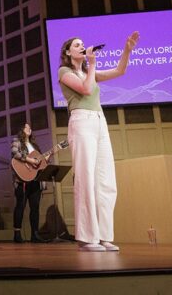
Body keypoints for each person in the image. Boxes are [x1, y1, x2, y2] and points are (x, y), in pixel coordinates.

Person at [59, 32, 139, 252]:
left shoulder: (87, 70)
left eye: (83, 44)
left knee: (105, 180)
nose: (82, 46)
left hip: (99, 120)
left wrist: (127, 50)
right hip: (81, 120)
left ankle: (104, 236)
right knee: (86, 178)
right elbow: (86, 89)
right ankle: (87, 238)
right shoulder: (64, 71)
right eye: (77, 45)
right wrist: (91, 63)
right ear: (68, 52)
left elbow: (119, 71)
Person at [10, 123, 46, 243]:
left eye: (30, 127)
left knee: (35, 207)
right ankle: (17, 233)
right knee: (20, 206)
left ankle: (35, 234)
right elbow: (15, 153)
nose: (29, 128)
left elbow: (39, 161)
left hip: (35, 180)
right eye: (26, 127)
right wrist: (30, 159)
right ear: (21, 130)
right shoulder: (17, 141)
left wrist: (45, 159)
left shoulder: (34, 145)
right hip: (22, 180)